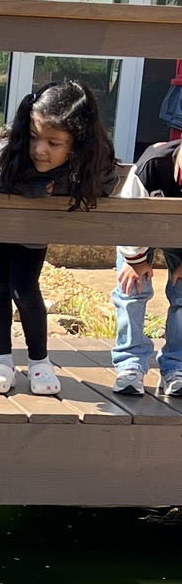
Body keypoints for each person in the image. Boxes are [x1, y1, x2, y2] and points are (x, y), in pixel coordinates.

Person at [0, 80, 118, 395]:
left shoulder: (92, 160)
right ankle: (2, 362)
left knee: (24, 286)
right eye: (34, 137)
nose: (39, 149)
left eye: (53, 143)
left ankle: (40, 362)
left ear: (78, 143)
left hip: (36, 225)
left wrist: (59, 189)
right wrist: (30, 188)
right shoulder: (11, 148)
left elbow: (105, 182)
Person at [110, 140, 182, 396]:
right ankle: (130, 363)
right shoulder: (152, 164)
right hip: (142, 227)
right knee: (131, 289)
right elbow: (128, 217)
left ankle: (176, 365)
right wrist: (136, 260)